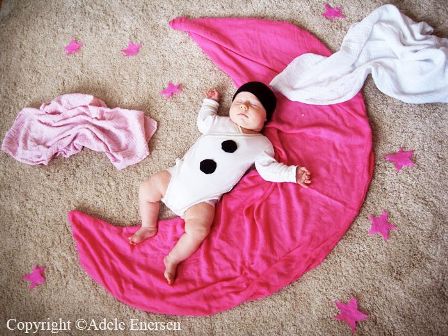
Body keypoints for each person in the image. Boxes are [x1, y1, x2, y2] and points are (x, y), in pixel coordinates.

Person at [128, 81, 311, 285]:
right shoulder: (219, 123)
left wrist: (291, 174)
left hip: (202, 200)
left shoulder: (261, 145)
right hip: (178, 177)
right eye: (240, 101)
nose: (244, 107)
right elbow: (203, 121)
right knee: (147, 188)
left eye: (254, 105)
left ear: (266, 118)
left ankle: (172, 258)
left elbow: (269, 170)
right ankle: (148, 226)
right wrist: (210, 103)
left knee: (198, 230)